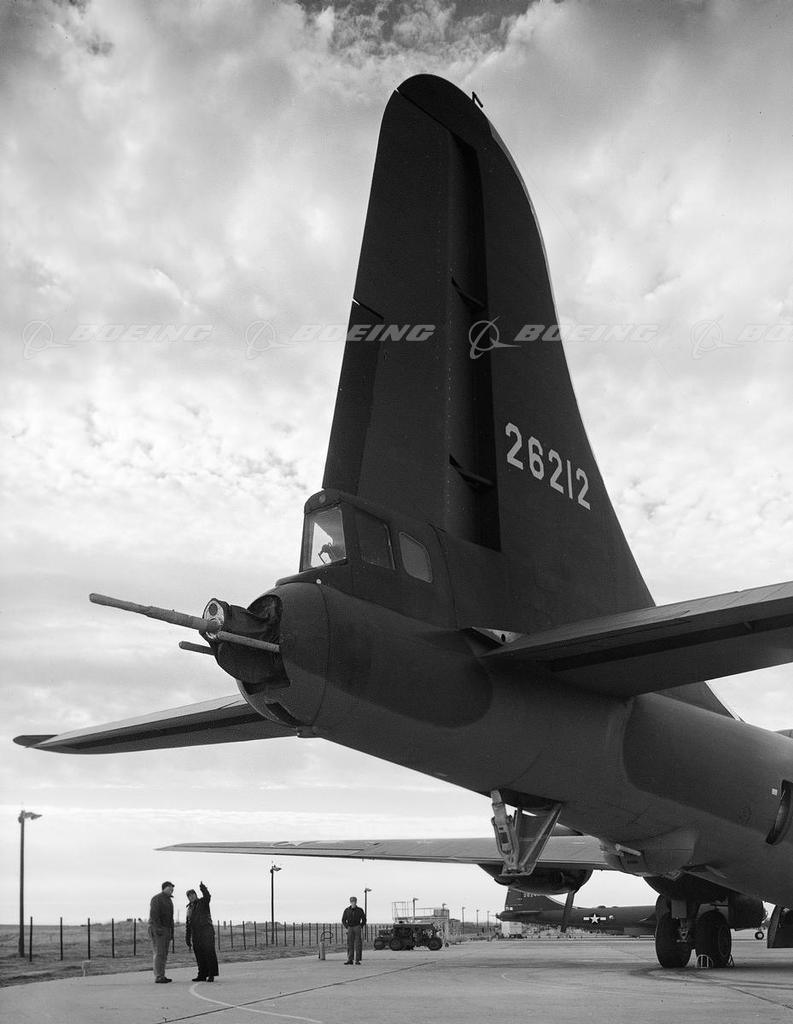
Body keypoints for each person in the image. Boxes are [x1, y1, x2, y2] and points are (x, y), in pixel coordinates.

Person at [185, 882, 219, 982]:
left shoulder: (203, 902)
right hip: (196, 934)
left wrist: (203, 889)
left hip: (206, 932)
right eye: (189, 896)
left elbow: (208, 896)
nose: (191, 897)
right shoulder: (189, 909)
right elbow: (188, 924)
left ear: (196, 895)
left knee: (209, 953)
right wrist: (188, 937)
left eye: (193, 895)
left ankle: (211, 974)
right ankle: (202, 974)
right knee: (199, 955)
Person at [148, 881, 175, 983]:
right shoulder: (157, 899)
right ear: (164, 888)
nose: (171, 890)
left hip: (167, 929)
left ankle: (162, 975)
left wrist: (171, 932)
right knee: (159, 953)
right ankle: (158, 976)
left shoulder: (169, 900)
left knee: (164, 954)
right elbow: (154, 914)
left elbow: (170, 918)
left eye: (172, 888)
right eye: (170, 888)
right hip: (158, 929)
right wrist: (158, 928)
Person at [342, 895, 366, 964]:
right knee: (350, 944)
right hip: (350, 927)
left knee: (358, 944)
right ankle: (350, 959)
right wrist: (347, 927)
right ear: (350, 902)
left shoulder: (360, 910)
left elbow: (364, 919)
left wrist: (361, 926)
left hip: (357, 927)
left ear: (356, 901)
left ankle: (357, 960)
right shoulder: (347, 910)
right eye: (352, 901)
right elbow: (343, 919)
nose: (353, 902)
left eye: (354, 901)